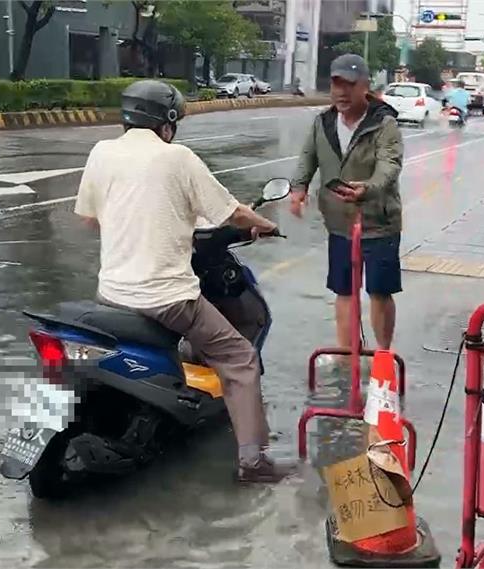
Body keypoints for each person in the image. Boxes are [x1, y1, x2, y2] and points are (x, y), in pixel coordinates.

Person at [73, 80, 290, 483]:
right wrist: (265, 224)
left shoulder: (102, 152)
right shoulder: (178, 158)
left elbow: (89, 217)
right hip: (169, 299)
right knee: (239, 358)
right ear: (168, 123)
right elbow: (230, 212)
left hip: (110, 295)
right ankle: (254, 464)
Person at [289, 54, 404, 353]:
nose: (341, 92)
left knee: (379, 291)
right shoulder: (323, 122)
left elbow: (389, 165)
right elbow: (308, 156)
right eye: (336, 84)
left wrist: (368, 188)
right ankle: (345, 353)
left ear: (365, 86)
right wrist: (298, 187)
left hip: (378, 221)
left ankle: (382, 353)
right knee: (344, 290)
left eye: (349, 85)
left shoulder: (384, 124)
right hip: (339, 222)